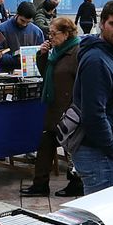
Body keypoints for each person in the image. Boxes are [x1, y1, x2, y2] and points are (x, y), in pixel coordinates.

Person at [70, 0, 113, 194]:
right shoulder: (97, 60)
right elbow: (94, 114)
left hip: (103, 150)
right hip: (98, 151)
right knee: (101, 211)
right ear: (102, 24)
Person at [21, 16, 83, 197]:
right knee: (45, 145)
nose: (50, 37)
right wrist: (42, 55)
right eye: (50, 33)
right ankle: (40, 185)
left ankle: (76, 183)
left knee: (72, 148)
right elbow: (47, 74)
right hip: (54, 108)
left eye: (54, 34)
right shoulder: (56, 52)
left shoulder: (77, 52)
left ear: (66, 34)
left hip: (69, 110)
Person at [0, 1, 45, 72]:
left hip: (30, 72)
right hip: (6, 72)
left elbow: (41, 55)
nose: (24, 24)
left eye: (28, 22)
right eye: (22, 21)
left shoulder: (37, 32)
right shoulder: (1, 29)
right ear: (17, 14)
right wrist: (16, 59)